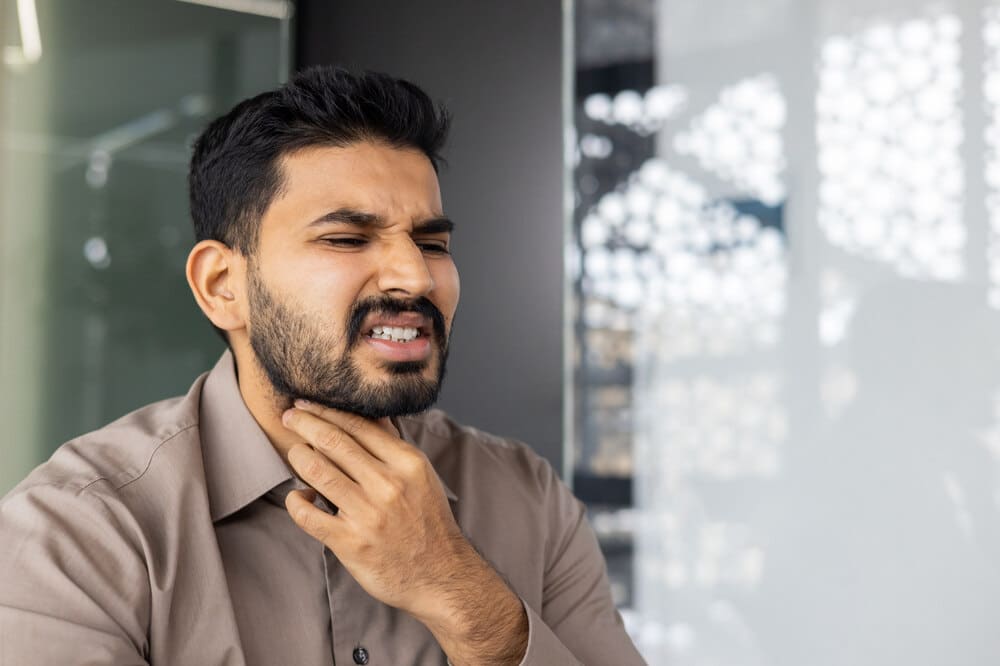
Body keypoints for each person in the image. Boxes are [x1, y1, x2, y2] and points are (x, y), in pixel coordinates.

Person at [0, 66, 645, 665]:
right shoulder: (78, 529)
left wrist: (458, 592)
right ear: (223, 285)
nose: (415, 275)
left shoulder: (528, 498)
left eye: (431, 242)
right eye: (346, 239)